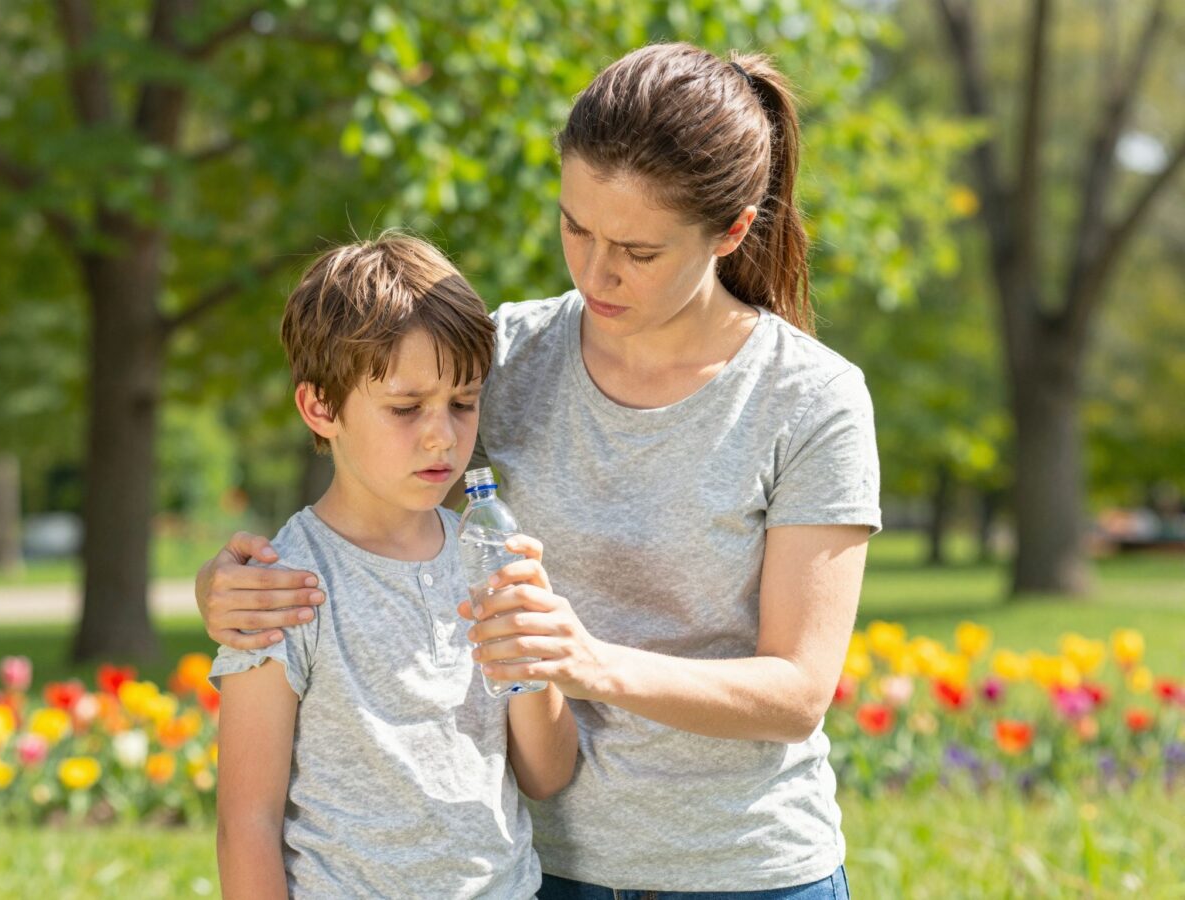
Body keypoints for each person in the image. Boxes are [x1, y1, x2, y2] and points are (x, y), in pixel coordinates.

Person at [198, 43, 878, 898]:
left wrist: (589, 664)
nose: (596, 272)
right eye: (576, 226)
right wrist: (226, 590)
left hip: (747, 870)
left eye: (638, 249)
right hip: (540, 873)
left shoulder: (810, 398)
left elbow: (798, 691)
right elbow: (373, 505)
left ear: (733, 231)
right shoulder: (504, 359)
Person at [208, 235, 577, 899]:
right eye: (406, 408)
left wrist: (531, 656)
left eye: (463, 403)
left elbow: (547, 775)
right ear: (321, 409)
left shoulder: (486, 556)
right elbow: (247, 822)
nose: (442, 435)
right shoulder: (281, 589)